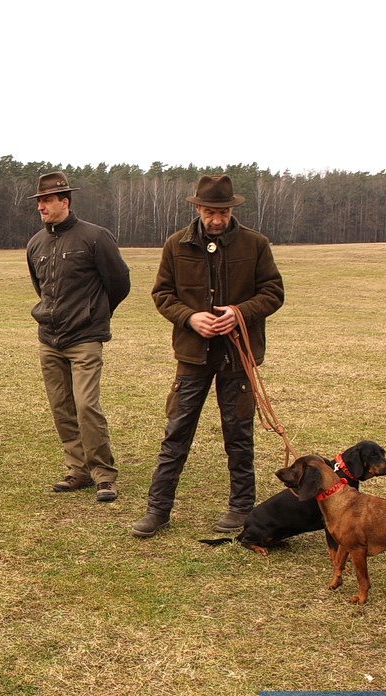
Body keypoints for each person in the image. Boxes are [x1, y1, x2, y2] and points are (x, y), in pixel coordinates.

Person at [132, 175, 284, 538]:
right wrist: (189, 317)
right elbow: (163, 293)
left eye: (223, 212)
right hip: (192, 356)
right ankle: (158, 509)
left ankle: (241, 508)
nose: (216, 219)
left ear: (232, 210)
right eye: (210, 211)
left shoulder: (256, 244)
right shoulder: (175, 244)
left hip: (237, 355)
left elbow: (273, 292)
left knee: (239, 432)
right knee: (177, 432)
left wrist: (240, 312)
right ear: (197, 208)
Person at [25, 171, 131, 503]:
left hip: (85, 338)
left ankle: (104, 475)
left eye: (47, 200)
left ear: (65, 202)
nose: (41, 206)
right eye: (39, 200)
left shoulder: (95, 237)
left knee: (86, 406)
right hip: (49, 339)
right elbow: (41, 288)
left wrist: (94, 314)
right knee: (62, 407)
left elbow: (119, 283)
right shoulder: (35, 244)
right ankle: (78, 470)